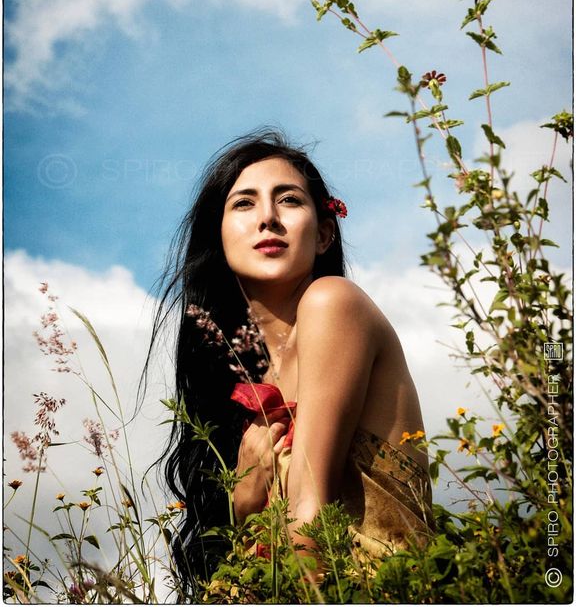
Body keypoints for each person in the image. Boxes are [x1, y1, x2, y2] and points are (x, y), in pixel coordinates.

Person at [145, 129, 432, 596]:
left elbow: (310, 515)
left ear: (323, 234)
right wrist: (242, 500)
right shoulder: (237, 376)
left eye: (289, 200)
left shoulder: (333, 303)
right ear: (217, 239)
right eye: (244, 204)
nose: (267, 219)